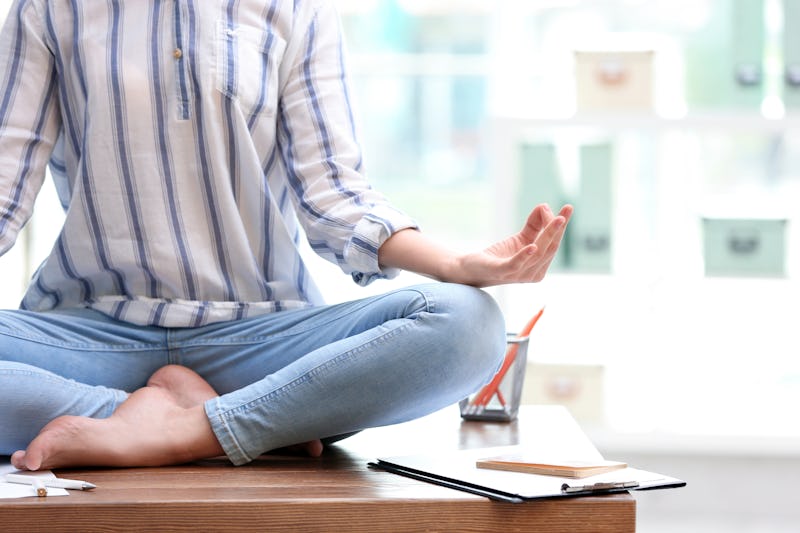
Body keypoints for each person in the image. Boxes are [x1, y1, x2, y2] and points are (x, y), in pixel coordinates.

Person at [0, 0, 572, 471]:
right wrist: (284, 413)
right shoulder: (48, 9)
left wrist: (454, 263)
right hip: (86, 339)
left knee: (469, 327)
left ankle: (179, 430)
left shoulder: (298, 8)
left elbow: (332, 196)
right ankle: (231, 421)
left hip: (263, 341)